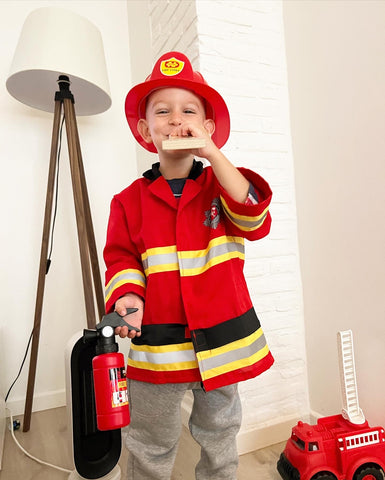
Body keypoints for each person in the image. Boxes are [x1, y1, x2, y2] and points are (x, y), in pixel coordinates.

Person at [104, 51, 274, 480]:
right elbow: (121, 257)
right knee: (149, 440)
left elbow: (253, 217)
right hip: (158, 347)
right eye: (162, 111)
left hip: (222, 342)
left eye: (189, 111)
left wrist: (212, 152)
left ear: (209, 128)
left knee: (220, 434)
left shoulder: (221, 184)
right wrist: (128, 297)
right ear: (145, 130)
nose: (176, 120)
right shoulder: (128, 201)